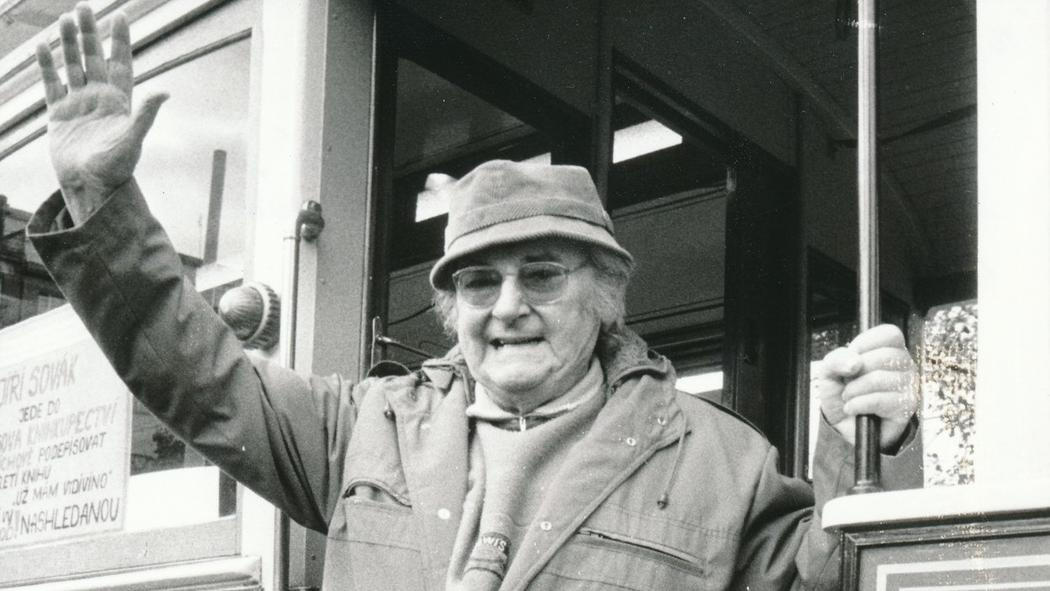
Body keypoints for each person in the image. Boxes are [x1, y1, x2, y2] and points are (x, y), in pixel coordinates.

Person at [28, 5, 921, 590]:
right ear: (450, 310)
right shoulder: (359, 430)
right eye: (479, 281)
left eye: (543, 274)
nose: (507, 305)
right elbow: (196, 373)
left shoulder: (726, 464)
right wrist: (101, 203)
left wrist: (864, 443)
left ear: (606, 294)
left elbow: (833, 579)